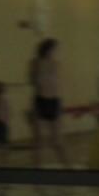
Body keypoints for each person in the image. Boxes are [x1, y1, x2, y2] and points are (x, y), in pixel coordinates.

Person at [28, 37, 68, 165]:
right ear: (47, 49)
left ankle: (68, 168)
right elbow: (33, 81)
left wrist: (61, 105)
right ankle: (37, 171)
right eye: (54, 49)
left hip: (54, 101)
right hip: (40, 101)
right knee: (38, 141)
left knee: (57, 141)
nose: (55, 52)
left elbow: (56, 85)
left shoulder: (56, 64)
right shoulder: (35, 62)